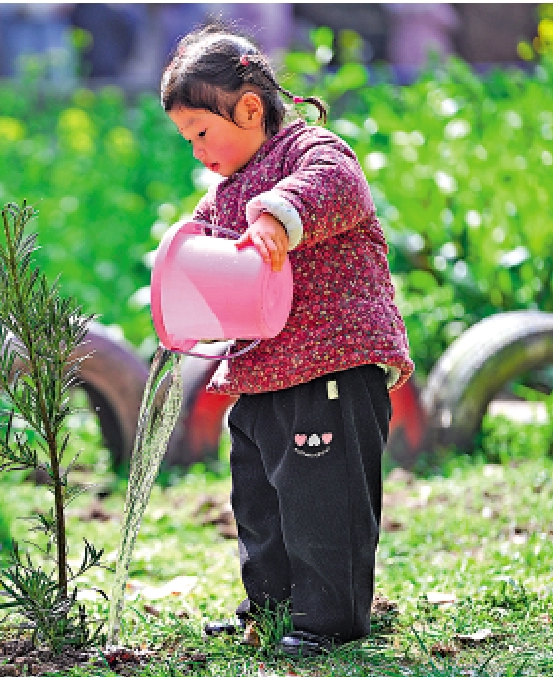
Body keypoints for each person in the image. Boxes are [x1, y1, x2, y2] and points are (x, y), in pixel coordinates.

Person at [160, 24, 414, 657]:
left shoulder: (310, 151)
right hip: (262, 375)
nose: (196, 151)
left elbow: (339, 186)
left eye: (200, 133)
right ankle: (271, 609)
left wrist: (279, 215)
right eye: (187, 139)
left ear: (248, 110)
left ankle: (330, 621)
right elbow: (202, 253)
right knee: (260, 498)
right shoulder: (224, 193)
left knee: (324, 503)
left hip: (332, 364)